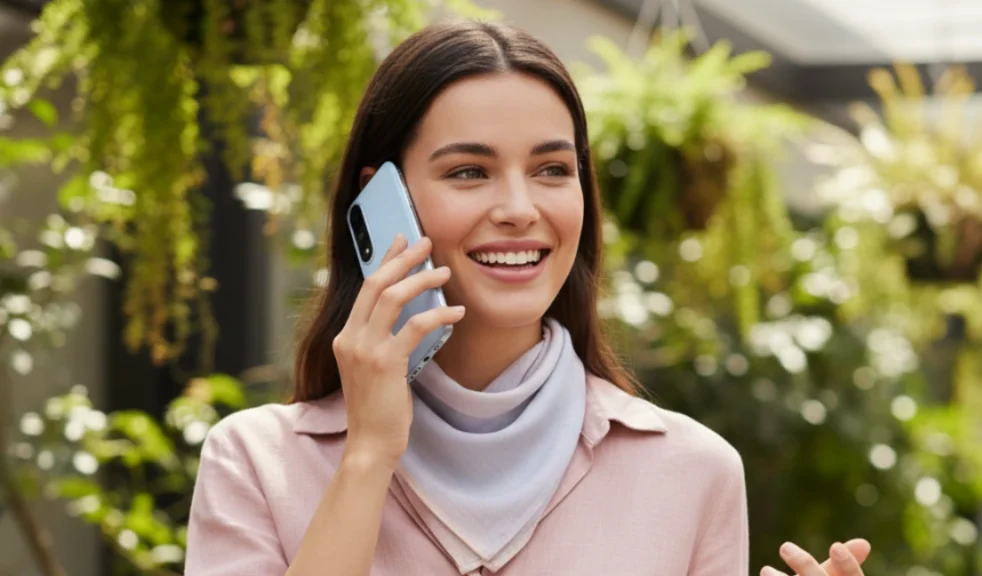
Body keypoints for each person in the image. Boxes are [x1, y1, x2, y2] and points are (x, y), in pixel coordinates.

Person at [184, 19, 872, 576]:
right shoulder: (257, 463)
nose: (519, 208)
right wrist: (366, 457)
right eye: (470, 171)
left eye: (551, 169)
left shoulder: (691, 472)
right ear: (380, 198)